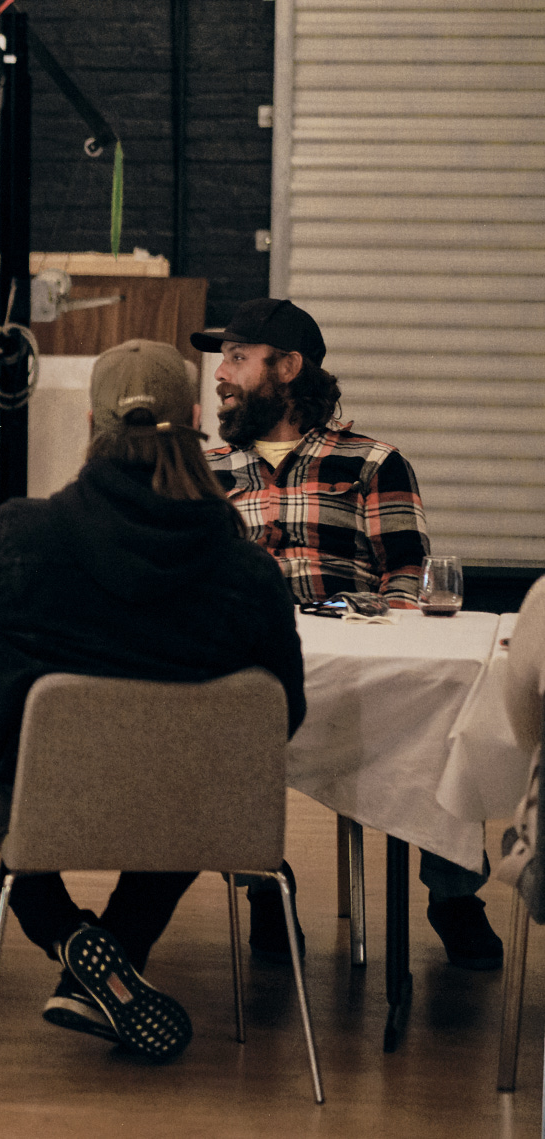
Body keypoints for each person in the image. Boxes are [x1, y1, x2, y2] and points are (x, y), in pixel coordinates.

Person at [0, 338, 306, 1062]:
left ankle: (73, 940)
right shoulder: (247, 572)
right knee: (201, 773)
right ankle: (120, 950)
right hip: (186, 815)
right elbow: (280, 713)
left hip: (42, 802)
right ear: (195, 420)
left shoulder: (21, 532)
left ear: (89, 423)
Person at [195, 298, 501, 970]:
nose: (220, 373)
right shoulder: (205, 470)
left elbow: (406, 576)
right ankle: (264, 885)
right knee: (202, 715)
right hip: (254, 663)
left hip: (355, 661)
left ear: (287, 367)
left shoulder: (371, 462)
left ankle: (453, 894)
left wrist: (381, 634)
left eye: (238, 357)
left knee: (447, 698)